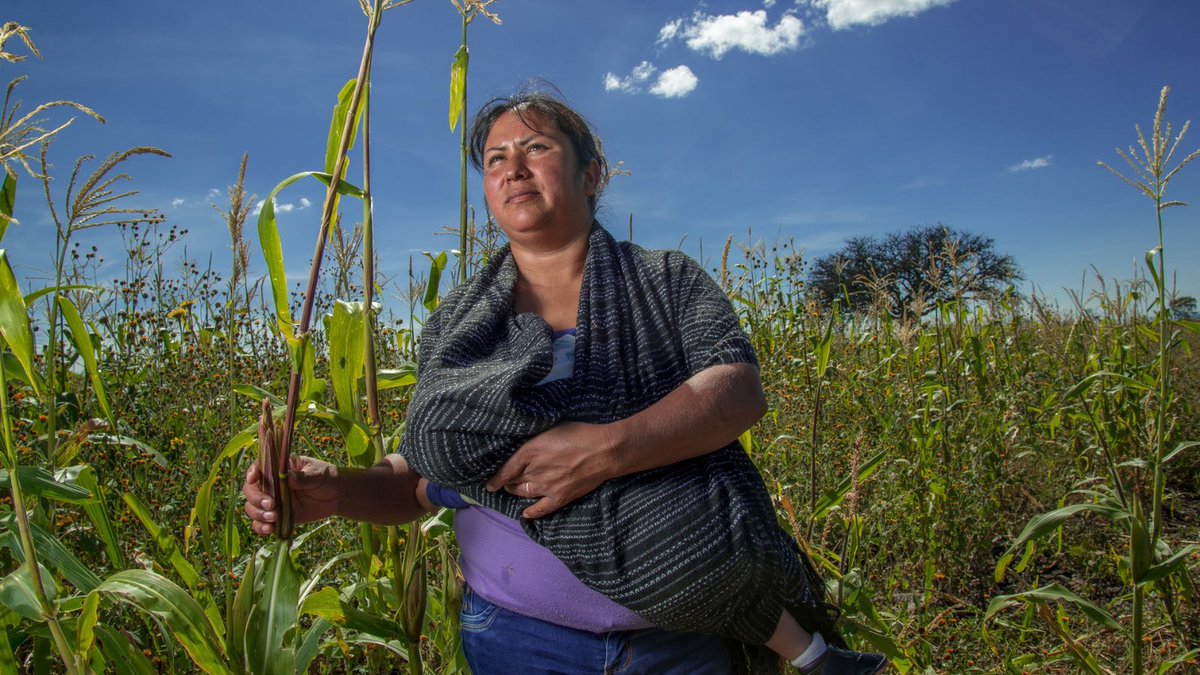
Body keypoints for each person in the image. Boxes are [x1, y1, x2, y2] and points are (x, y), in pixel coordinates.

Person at [244, 86, 886, 674]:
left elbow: (737, 388)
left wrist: (607, 451)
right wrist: (335, 492)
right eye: (495, 159)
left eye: (536, 148)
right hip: (515, 638)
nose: (512, 168)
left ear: (590, 174)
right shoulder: (459, 320)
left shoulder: (666, 281)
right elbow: (426, 474)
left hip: (680, 642)